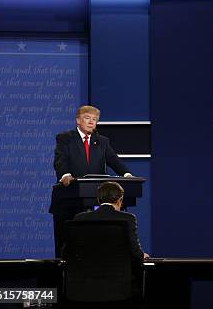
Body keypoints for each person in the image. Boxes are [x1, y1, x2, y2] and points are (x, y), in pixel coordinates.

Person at [49, 105, 134, 257]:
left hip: (95, 199)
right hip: (69, 200)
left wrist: (127, 174)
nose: (91, 122)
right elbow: (60, 161)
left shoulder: (102, 141)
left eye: (94, 119)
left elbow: (114, 161)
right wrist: (65, 175)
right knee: (67, 246)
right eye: (87, 118)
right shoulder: (65, 138)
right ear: (78, 121)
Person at [64, 182, 149, 297]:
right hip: (119, 290)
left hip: (82, 289)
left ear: (99, 200)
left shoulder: (80, 218)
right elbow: (135, 252)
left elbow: (65, 252)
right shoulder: (128, 218)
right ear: (120, 200)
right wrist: (142, 255)